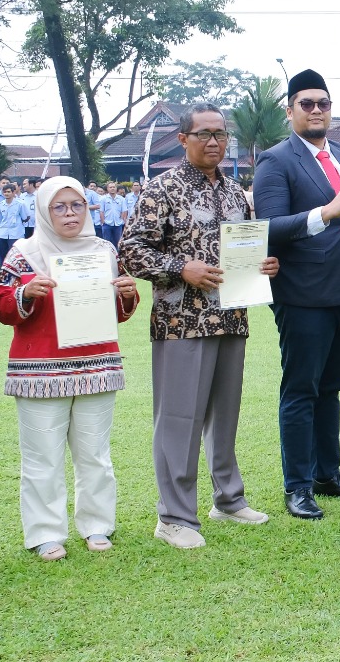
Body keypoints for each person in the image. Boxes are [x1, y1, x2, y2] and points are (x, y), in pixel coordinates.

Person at [120, 103, 280, 546]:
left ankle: (228, 499)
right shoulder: (161, 190)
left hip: (231, 315)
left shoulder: (234, 193)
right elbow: (130, 251)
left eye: (221, 134)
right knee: (179, 418)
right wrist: (179, 267)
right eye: (205, 134)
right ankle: (174, 516)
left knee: (224, 415)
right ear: (183, 139)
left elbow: (246, 246)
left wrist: (264, 264)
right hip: (181, 322)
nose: (214, 141)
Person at [253, 70, 340, 521]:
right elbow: (267, 228)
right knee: (301, 390)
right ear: (290, 111)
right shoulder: (276, 161)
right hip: (303, 295)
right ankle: (298, 486)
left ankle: (329, 474)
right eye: (306, 104)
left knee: (332, 387)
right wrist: (322, 214)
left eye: (323, 103)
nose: (316, 110)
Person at [0, 177, 141, 559]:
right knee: (42, 455)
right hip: (41, 369)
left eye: (76, 205)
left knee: (95, 454)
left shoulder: (104, 250)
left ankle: (97, 525)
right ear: (44, 210)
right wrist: (25, 292)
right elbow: (1, 306)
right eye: (59, 207)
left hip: (95, 363)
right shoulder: (24, 254)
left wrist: (127, 293)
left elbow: (120, 310)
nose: (70, 214)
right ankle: (46, 533)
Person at [0, 182, 29, 270]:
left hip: (16, 233)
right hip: (2, 233)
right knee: (2, 254)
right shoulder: (1, 204)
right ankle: (4, 271)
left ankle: (17, 270)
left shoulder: (20, 204)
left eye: (9, 192)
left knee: (15, 254)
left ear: (14, 193)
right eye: (5, 192)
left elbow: (25, 217)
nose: (6, 194)